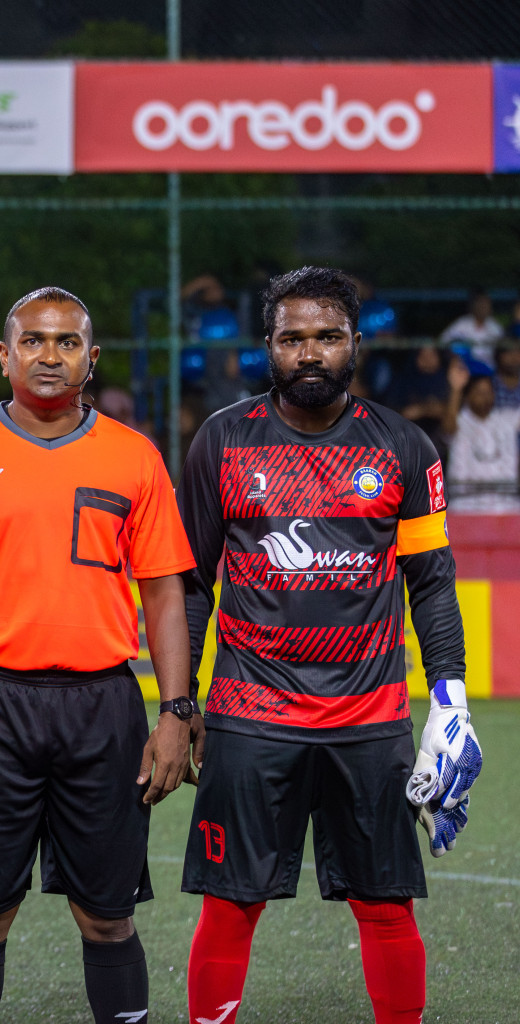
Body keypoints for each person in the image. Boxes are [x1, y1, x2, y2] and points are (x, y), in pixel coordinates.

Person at [180, 267, 477, 1024]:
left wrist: (450, 699)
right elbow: (191, 586)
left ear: (354, 342)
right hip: (249, 717)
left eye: (326, 337)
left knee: (386, 907)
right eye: (292, 339)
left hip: (370, 721)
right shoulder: (221, 440)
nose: (309, 353)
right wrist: (180, 704)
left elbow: (432, 585)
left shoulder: (405, 447)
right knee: (229, 905)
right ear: (268, 347)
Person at [0, 287, 198, 1024]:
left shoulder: (133, 456)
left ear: (91, 360)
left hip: (105, 707)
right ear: (5, 357)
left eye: (68, 342)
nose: (50, 355)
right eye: (33, 341)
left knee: (109, 917)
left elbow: (164, 597)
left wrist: (175, 712)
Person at [443, 360, 520, 514]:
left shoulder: (505, 420)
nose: (485, 398)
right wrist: (456, 389)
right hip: (465, 503)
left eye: (488, 392)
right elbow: (448, 428)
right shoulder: (459, 422)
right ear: (468, 396)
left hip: (504, 503)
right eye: (479, 393)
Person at [439, 288, 502, 369]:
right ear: (473, 306)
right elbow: (442, 342)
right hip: (466, 369)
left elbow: (504, 350)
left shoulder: (495, 326)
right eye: (481, 303)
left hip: (490, 370)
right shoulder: (462, 323)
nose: (484, 307)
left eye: (487, 303)